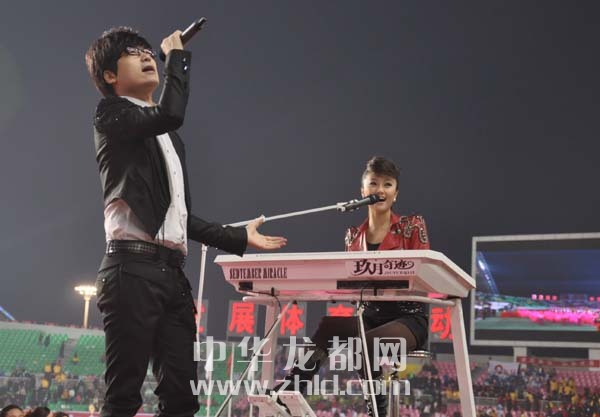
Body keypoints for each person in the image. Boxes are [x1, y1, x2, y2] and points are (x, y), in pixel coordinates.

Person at [85, 27, 286, 417]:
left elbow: (179, 218)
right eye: (132, 52)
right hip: (131, 268)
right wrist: (177, 58)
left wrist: (237, 237)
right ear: (110, 75)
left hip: (172, 276)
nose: (146, 56)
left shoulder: (169, 138)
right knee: (123, 397)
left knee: (181, 399)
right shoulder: (110, 113)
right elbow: (171, 113)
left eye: (148, 50)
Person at [278, 156, 429, 417]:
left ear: (395, 194)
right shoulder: (353, 236)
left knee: (363, 344)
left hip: (408, 319)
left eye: (388, 185)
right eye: (374, 183)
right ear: (362, 191)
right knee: (328, 326)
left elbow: (423, 273)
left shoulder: (412, 226)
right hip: (369, 317)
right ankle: (290, 390)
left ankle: (377, 410)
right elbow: (351, 283)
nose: (380, 190)